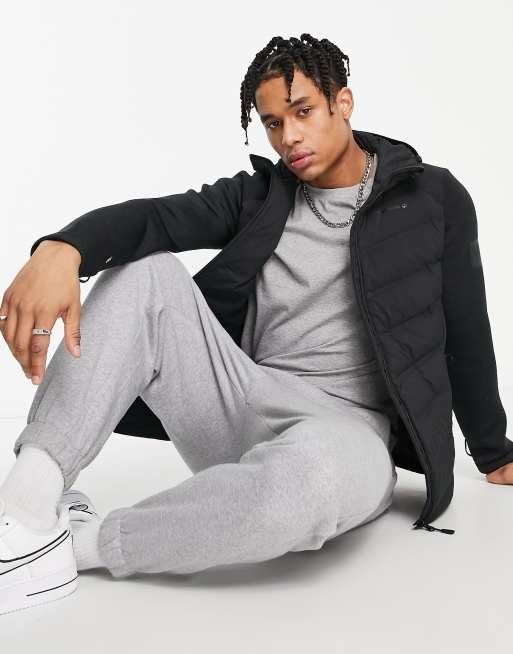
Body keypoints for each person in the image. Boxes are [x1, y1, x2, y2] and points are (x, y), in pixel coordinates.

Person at [0, 33, 511, 615]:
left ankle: (75, 546)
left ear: (343, 103)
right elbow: (156, 218)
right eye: (272, 123)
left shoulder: (432, 197)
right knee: (144, 272)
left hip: (348, 437)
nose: (288, 137)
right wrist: (62, 250)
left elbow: (466, 328)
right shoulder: (262, 197)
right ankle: (24, 510)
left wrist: (492, 451)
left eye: (303, 112)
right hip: (241, 401)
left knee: (309, 483)